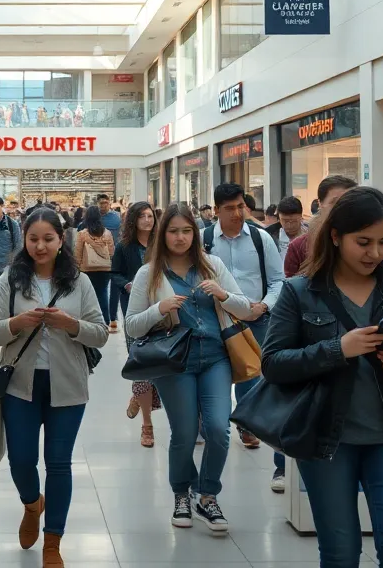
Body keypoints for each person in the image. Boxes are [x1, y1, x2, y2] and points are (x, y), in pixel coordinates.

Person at [261, 187, 383, 568]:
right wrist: (337, 349)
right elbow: (273, 363)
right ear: (335, 237)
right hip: (327, 440)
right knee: (340, 553)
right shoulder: (301, 292)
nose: (375, 253)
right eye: (363, 242)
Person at [0, 207, 108, 568]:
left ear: (61, 239)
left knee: (59, 463)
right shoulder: (11, 278)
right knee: (21, 459)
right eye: (33, 239)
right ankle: (31, 504)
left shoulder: (78, 281)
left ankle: (53, 542)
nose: (40, 246)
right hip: (20, 384)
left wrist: (71, 324)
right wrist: (16, 322)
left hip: (67, 386)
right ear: (23, 238)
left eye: (48, 239)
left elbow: (99, 333)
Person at [126, 202, 254, 532]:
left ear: (195, 234)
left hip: (215, 359)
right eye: (173, 231)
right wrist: (159, 309)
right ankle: (182, 493)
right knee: (184, 434)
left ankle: (207, 496)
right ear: (162, 234)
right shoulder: (149, 273)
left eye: (187, 231)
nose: (180, 238)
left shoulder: (212, 266)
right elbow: (131, 326)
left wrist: (222, 294)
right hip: (174, 362)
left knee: (217, 430)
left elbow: (247, 308)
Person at [205, 184, 284, 468]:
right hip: (216, 320)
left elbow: (278, 281)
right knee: (216, 372)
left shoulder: (261, 239)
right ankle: (210, 420)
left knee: (250, 373)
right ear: (216, 211)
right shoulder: (204, 241)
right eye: (229, 209)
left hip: (255, 318)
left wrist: (264, 306)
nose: (237, 213)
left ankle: (246, 423)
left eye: (240, 206)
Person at [112, 201, 162, 447]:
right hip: (134, 311)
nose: (147, 220)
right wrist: (127, 284)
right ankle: (147, 425)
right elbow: (115, 274)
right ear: (133, 220)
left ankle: (137, 394)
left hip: (162, 310)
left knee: (160, 361)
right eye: (141, 216)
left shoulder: (162, 245)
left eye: (150, 215)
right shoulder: (124, 247)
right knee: (141, 363)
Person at [284, 176, 358, 277]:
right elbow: (291, 288)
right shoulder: (299, 247)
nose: (343, 208)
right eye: (335, 202)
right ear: (320, 204)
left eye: (349, 202)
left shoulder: (370, 241)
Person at [74, 206, 115, 328]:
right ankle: (105, 320)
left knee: (87, 295)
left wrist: (77, 267)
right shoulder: (107, 233)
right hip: (105, 269)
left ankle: (89, 321)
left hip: (86, 270)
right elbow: (112, 252)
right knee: (102, 294)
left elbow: (78, 253)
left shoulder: (82, 234)